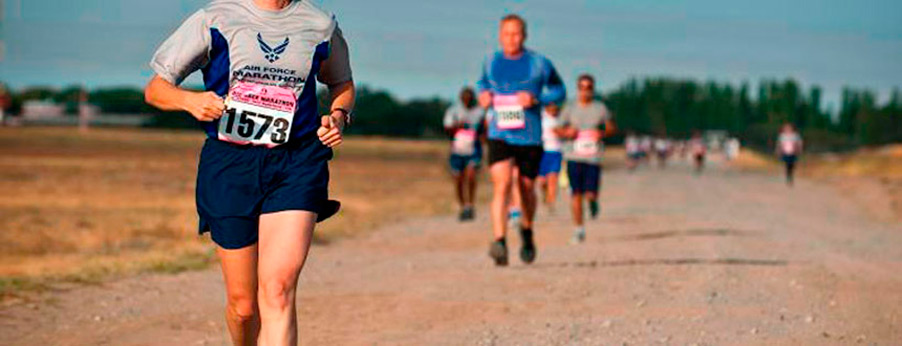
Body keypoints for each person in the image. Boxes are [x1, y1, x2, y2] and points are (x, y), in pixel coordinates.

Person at [144, 1, 354, 344]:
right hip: (230, 165)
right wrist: (191, 102)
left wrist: (339, 116)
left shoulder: (319, 24)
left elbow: (342, 82)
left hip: (297, 161)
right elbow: (156, 89)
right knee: (243, 307)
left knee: (278, 289)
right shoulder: (216, 19)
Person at [477, 14, 566, 266]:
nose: (511, 39)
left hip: (529, 136)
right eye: (506, 33)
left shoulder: (539, 63)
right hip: (499, 134)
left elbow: (559, 90)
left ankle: (527, 232)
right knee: (502, 184)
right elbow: (482, 84)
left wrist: (537, 99)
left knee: (526, 188)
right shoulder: (491, 61)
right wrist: (482, 94)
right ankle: (500, 241)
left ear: (524, 36)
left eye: (516, 34)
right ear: (499, 35)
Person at [558, 74, 615, 244]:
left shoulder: (600, 108)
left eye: (588, 87)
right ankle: (578, 229)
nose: (585, 91)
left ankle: (593, 202)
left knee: (590, 193)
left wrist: (602, 133)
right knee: (576, 194)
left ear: (593, 89)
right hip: (573, 155)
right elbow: (557, 129)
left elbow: (611, 127)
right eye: (582, 88)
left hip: (593, 158)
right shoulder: (570, 108)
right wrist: (567, 132)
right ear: (577, 89)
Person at [444, 87, 486, 221]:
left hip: (473, 149)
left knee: (471, 175)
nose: (467, 101)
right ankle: (462, 206)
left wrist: (483, 138)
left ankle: (470, 204)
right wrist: (458, 126)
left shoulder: (479, 111)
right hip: (458, 149)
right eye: (465, 98)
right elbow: (447, 128)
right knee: (458, 179)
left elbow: (485, 128)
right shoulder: (453, 111)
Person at [536, 103, 564, 212]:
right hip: (542, 152)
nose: (554, 109)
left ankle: (551, 202)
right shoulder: (540, 116)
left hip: (556, 152)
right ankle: (545, 193)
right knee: (542, 181)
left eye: (555, 107)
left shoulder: (561, 118)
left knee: (553, 179)